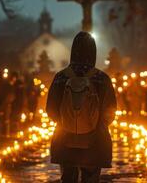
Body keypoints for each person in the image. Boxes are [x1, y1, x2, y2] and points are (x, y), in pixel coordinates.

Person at [46, 32, 117, 183]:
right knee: (90, 178)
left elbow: (50, 109)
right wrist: (96, 124)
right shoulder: (102, 78)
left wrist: (66, 121)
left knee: (68, 178)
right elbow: (110, 111)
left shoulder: (61, 77)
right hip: (95, 141)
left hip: (64, 140)